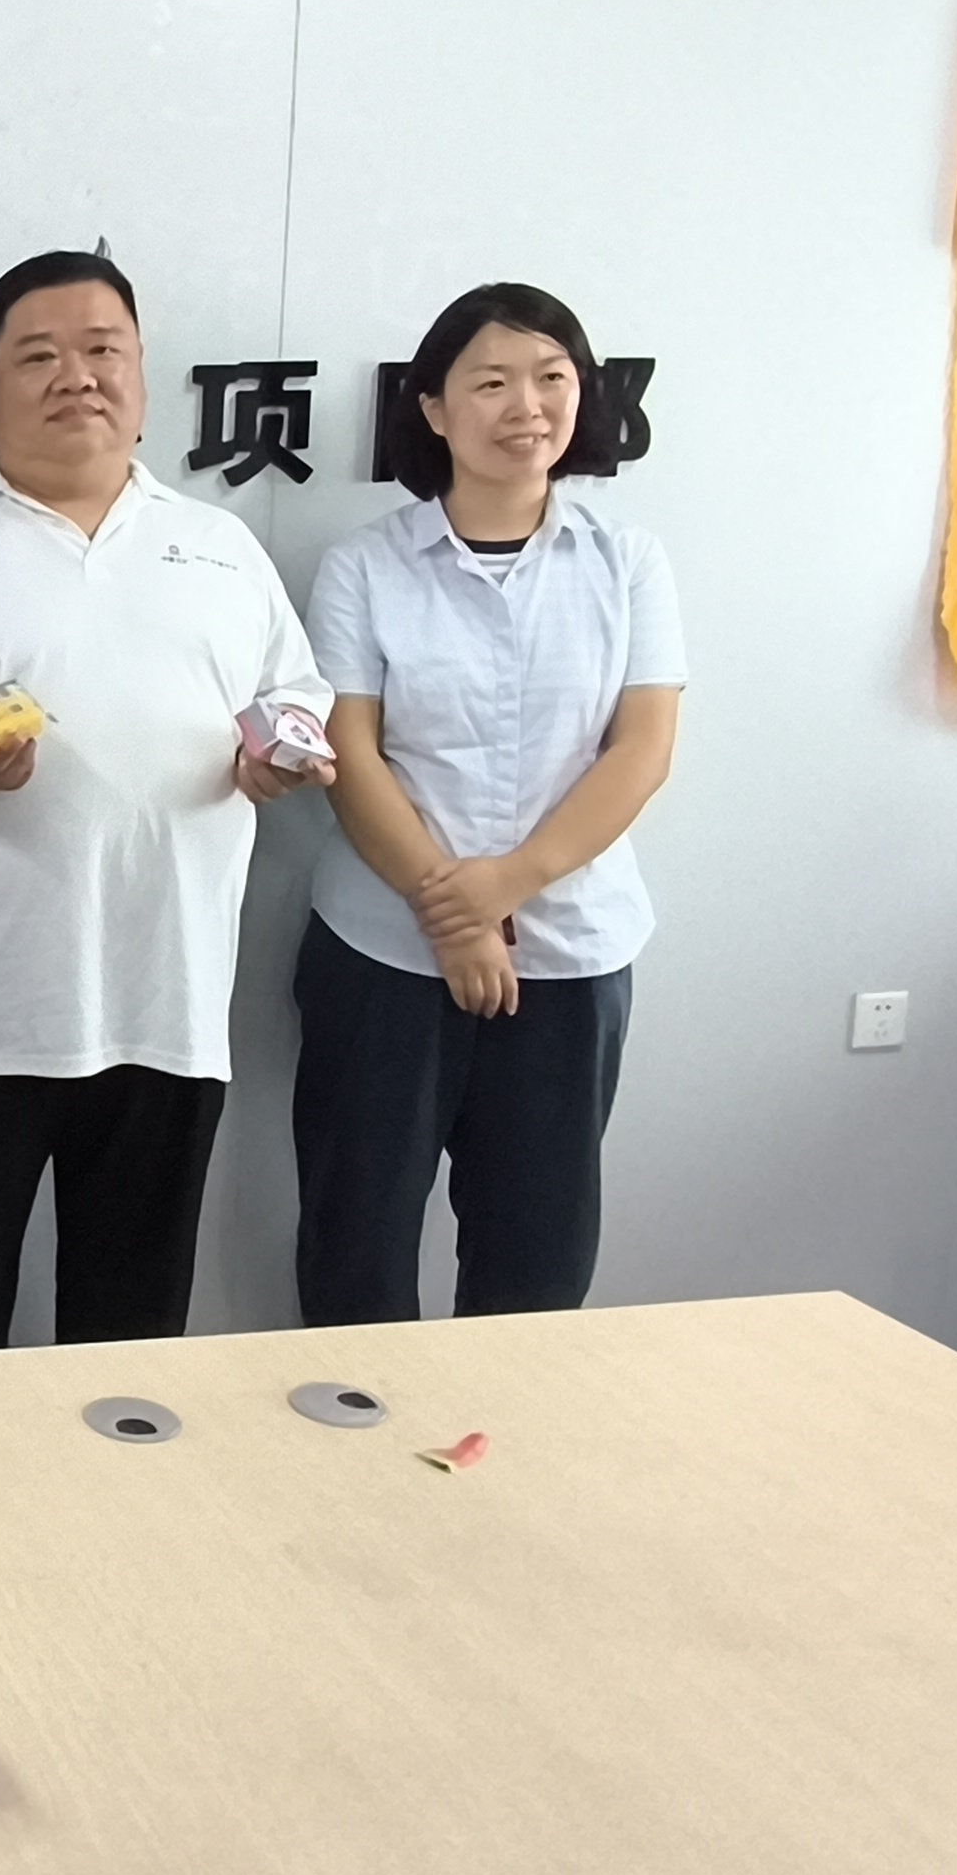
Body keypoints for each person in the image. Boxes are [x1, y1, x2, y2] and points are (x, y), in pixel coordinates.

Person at [0, 250, 331, 1356]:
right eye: (39, 356)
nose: (77, 377)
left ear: (142, 374)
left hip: (168, 1004)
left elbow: (294, 700)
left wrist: (278, 759)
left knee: (131, 1341)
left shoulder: (222, 548)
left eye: (103, 351)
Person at [291, 282, 682, 1325]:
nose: (527, 406)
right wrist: (453, 916)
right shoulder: (365, 566)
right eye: (492, 382)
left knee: (537, 1264)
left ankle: (502, 1434)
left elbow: (641, 750)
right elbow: (348, 751)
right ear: (432, 406)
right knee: (356, 1244)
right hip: (384, 952)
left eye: (552, 377)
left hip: (568, 954)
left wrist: (507, 886)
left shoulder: (627, 562)